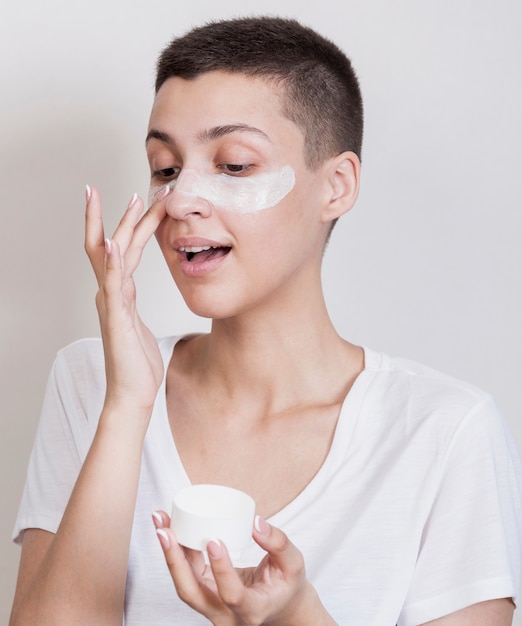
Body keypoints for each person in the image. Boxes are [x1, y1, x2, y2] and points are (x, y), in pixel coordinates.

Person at [9, 16, 522, 626]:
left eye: (233, 165)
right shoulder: (92, 380)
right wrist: (126, 408)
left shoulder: (445, 432)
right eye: (166, 168)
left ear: (336, 185)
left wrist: (296, 615)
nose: (180, 200)